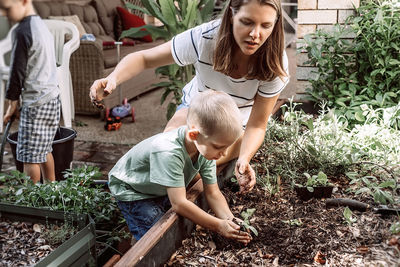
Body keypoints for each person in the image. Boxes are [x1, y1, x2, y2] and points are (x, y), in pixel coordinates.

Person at [90, 0, 289, 193]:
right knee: (169, 150)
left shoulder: (275, 61)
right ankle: (133, 192)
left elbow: (257, 124)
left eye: (266, 25)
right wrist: (113, 78)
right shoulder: (204, 38)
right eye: (247, 22)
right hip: (198, 106)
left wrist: (244, 158)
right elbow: (144, 59)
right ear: (231, 15)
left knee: (193, 169)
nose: (255, 34)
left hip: (237, 123)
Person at [108, 90, 252, 244]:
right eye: (219, 147)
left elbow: (213, 193)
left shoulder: (206, 148)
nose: (223, 154)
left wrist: (230, 221)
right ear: (193, 135)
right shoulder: (168, 151)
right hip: (132, 188)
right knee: (157, 237)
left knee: (177, 222)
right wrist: (218, 225)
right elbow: (179, 203)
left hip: (155, 185)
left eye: (226, 147)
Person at [0, 0, 60, 183]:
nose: (3, 14)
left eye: (7, 8)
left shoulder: (22, 31)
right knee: (44, 149)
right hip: (52, 98)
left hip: (36, 103)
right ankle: (52, 188)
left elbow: (17, 72)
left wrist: (12, 104)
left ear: (24, 1)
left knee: (29, 157)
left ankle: (30, 201)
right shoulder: (40, 25)